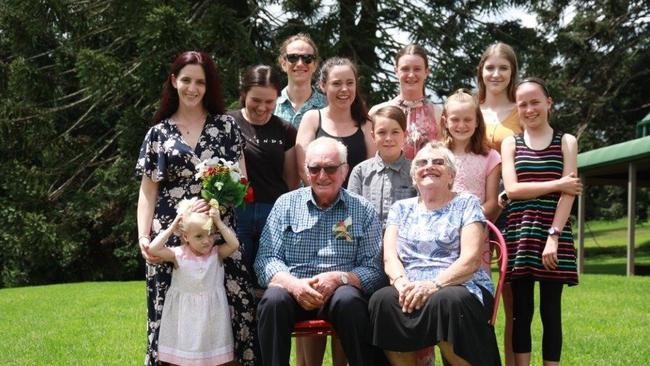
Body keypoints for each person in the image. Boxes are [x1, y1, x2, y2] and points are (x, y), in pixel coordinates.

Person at [135, 51, 258, 365]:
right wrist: (143, 236)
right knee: (169, 315)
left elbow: (241, 182)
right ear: (174, 81)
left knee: (230, 310)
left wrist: (218, 194)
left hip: (217, 233)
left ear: (208, 86)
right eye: (186, 79)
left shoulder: (226, 127)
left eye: (200, 82)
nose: (192, 88)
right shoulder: (158, 134)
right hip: (171, 234)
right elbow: (148, 191)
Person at [254, 137, 387, 366]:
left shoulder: (362, 209)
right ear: (306, 171)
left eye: (330, 168)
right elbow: (266, 258)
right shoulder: (285, 204)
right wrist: (294, 285)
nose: (322, 176)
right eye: (314, 169)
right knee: (273, 300)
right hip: (293, 292)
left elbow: (374, 269)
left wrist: (340, 278)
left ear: (344, 170)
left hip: (340, 294)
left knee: (349, 300)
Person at [369, 141, 501, 366]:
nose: (429, 166)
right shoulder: (400, 209)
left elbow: (470, 260)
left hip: (459, 285)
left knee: (446, 301)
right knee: (382, 301)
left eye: (438, 162)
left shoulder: (466, 203)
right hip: (410, 287)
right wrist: (401, 284)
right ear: (414, 177)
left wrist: (433, 285)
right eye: (421, 163)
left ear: (451, 175)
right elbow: (390, 257)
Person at [501, 77, 581, 366]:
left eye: (535, 102)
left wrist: (554, 235)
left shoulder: (567, 141)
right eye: (523, 104)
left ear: (549, 103)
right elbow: (512, 190)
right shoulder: (511, 142)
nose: (529, 109)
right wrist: (558, 183)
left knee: (551, 310)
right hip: (520, 232)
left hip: (553, 230)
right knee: (521, 311)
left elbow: (569, 195)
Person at [228, 65, 299, 288]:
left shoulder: (285, 129)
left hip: (272, 212)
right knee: (237, 274)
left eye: (269, 102)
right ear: (243, 95)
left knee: (269, 276)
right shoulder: (227, 123)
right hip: (238, 211)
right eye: (256, 100)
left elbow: (291, 179)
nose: (262, 108)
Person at [144, 199, 238, 365]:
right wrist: (173, 227)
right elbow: (153, 249)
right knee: (183, 356)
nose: (206, 240)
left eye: (210, 234)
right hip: (185, 316)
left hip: (212, 316)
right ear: (186, 237)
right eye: (199, 236)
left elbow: (234, 244)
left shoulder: (216, 254)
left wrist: (218, 222)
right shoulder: (178, 255)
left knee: (214, 356)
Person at [477, 42, 521, 366]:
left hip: (514, 211)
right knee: (476, 293)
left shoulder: (523, 109)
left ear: (512, 72)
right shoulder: (470, 109)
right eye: (490, 67)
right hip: (474, 213)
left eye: (503, 68)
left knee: (513, 304)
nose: (496, 74)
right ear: (481, 71)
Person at [441, 89, 501, 262]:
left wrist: (467, 219)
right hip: (440, 231)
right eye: (455, 119)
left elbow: (492, 202)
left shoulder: (491, 157)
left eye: (467, 119)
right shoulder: (436, 154)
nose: (461, 125)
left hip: (475, 230)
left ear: (477, 122)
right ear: (445, 121)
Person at [296, 57, 375, 188]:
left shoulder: (366, 124)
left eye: (350, 83)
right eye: (337, 83)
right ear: (323, 85)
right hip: (319, 201)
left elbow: (371, 170)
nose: (344, 89)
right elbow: (303, 168)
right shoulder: (312, 119)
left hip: (356, 203)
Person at [369, 44, 443, 159]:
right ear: (396, 71)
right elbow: (370, 160)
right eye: (405, 69)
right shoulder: (377, 112)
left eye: (417, 69)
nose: (411, 75)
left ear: (427, 72)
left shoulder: (438, 113)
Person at [347, 105, 416, 227]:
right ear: (373, 136)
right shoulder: (360, 172)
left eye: (395, 132)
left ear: (405, 135)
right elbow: (351, 212)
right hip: (367, 242)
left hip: (403, 243)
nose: (388, 138)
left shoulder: (415, 172)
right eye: (382, 132)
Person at [274, 33, 327, 128]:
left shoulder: (328, 106)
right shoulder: (271, 105)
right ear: (283, 64)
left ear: (315, 65)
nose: (300, 64)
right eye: (293, 58)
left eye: (307, 58)